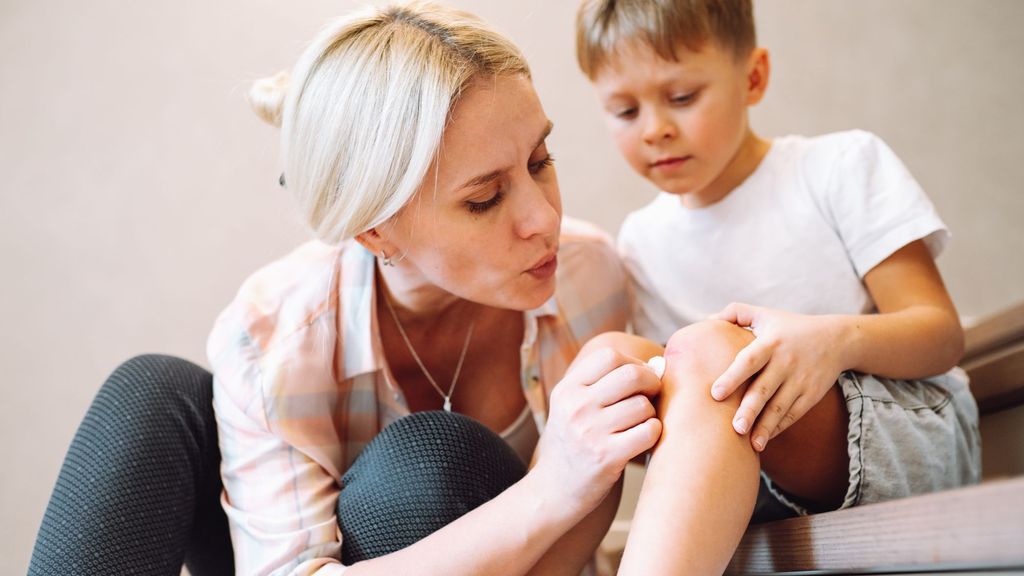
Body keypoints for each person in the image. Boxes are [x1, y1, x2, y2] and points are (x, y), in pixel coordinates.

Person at [31, 2, 677, 575]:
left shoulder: (590, 276)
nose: (543, 219)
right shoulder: (273, 338)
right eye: (484, 199)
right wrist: (553, 487)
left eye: (541, 162)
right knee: (156, 392)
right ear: (375, 233)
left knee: (421, 470)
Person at [573, 0, 982, 573]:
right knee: (609, 359)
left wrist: (834, 341)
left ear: (753, 77)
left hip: (899, 432)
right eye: (623, 110)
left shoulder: (838, 165)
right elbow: (686, 424)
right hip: (757, 467)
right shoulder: (641, 239)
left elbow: (941, 335)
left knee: (711, 350)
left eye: (683, 98)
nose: (655, 129)